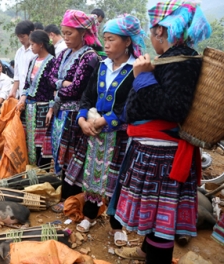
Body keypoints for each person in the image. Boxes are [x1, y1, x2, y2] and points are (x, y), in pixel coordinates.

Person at [112, 2, 211, 263]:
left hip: (162, 157)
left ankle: (157, 258)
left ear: (159, 31)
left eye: (151, 30)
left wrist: (142, 77)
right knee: (157, 215)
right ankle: (147, 251)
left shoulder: (182, 63)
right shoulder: (171, 59)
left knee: (160, 223)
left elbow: (174, 108)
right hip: (153, 153)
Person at [65, 15, 146, 238]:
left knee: (116, 179)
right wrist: (82, 120)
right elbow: (87, 96)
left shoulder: (136, 69)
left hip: (119, 135)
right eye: (105, 40)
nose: (106, 45)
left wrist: (105, 120)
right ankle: (90, 215)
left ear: (127, 42)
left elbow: (132, 103)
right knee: (92, 177)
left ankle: (117, 224)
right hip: (93, 133)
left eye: (111, 40)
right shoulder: (101, 67)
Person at [48, 9, 101, 213]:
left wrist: (58, 85)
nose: (66, 37)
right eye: (64, 33)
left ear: (82, 32)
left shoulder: (89, 58)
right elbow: (50, 79)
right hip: (62, 112)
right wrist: (62, 83)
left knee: (74, 158)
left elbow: (77, 89)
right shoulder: (63, 54)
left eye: (70, 33)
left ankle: (70, 199)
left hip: (76, 116)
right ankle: (66, 196)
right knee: (61, 155)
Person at [16, 30, 57, 167]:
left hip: (43, 108)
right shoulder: (33, 61)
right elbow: (27, 84)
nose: (31, 47)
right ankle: (31, 170)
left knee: (42, 142)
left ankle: (41, 172)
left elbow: (54, 88)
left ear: (41, 45)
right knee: (29, 139)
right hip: (29, 107)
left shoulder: (52, 61)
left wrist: (51, 109)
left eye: (33, 44)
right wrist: (22, 98)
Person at [8, 20, 36, 99]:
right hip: (22, 94)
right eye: (19, 37)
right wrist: (13, 91)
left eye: (22, 36)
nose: (20, 40)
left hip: (34, 95)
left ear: (31, 33)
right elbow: (17, 76)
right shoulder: (19, 52)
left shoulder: (37, 52)